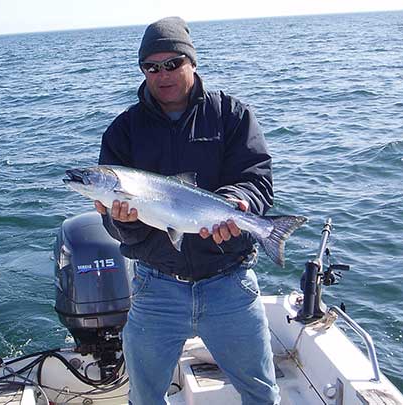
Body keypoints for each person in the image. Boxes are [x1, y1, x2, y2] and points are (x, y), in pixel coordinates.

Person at [94, 16, 280, 405]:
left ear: (192, 62)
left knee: (261, 394)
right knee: (144, 398)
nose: (162, 75)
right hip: (155, 286)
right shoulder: (122, 131)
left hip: (230, 282)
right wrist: (120, 221)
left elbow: (257, 178)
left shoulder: (232, 115)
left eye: (172, 63)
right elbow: (115, 227)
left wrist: (239, 202)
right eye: (151, 67)